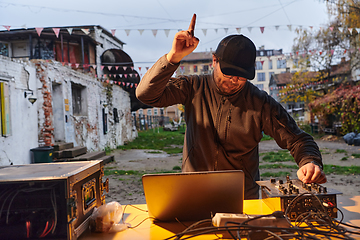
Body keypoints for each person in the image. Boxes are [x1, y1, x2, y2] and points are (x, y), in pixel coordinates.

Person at [136, 14, 326, 199]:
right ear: (214, 61)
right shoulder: (193, 87)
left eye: (241, 75)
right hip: (194, 193)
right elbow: (146, 94)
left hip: (242, 197)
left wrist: (310, 162)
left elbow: (298, 140)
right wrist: (172, 58)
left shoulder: (259, 102)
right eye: (228, 73)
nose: (234, 80)